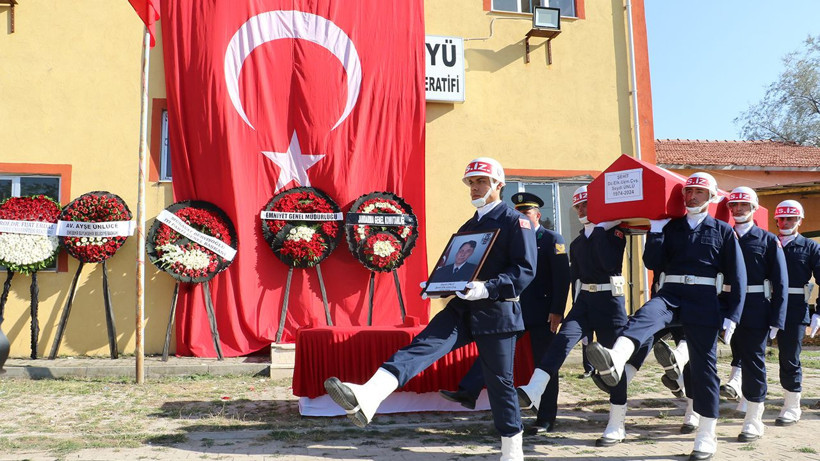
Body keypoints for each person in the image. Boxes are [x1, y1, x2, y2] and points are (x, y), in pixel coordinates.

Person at [323, 157, 537, 461]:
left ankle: (512, 451)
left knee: (499, 383)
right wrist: (437, 283)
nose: (474, 187)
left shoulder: (516, 221)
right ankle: (368, 395)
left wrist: (489, 287)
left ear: (498, 185)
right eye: (471, 183)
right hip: (462, 308)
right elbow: (458, 264)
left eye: (481, 182)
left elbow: (525, 271)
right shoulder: (471, 224)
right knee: (422, 346)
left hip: (497, 312)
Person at [584, 172, 747, 461]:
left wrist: (732, 315)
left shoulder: (722, 230)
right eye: (688, 191)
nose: (692, 196)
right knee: (643, 317)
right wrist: (656, 232)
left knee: (704, 368)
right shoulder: (671, 227)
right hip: (670, 292)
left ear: (710, 197)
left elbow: (738, 275)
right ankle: (616, 358)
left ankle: (707, 433)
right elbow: (652, 262)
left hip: (703, 300)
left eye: (698, 192)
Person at [438, 192, 571, 436]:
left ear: (538, 215)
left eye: (527, 213)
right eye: (518, 212)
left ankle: (546, 418)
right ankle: (468, 391)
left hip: (542, 314)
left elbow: (563, 279)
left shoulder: (552, 239)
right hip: (514, 310)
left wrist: (557, 311)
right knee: (492, 353)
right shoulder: (512, 236)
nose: (522, 217)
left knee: (544, 365)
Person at [516, 185, 637, 447]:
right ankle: (534, 390)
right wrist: (568, 308)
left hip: (610, 303)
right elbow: (575, 278)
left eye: (586, 205)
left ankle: (617, 422)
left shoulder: (614, 232)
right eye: (578, 207)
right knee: (560, 343)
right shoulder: (578, 241)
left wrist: (602, 228)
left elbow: (607, 263)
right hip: (584, 302)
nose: (582, 210)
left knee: (611, 365)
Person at [716, 187, 788, 441]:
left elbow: (780, 282)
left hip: (756, 307)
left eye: (743, 205)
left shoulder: (768, 240)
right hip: (724, 304)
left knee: (753, 361)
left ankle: (754, 419)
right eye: (733, 205)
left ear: (755, 208)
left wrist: (777, 318)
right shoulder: (723, 235)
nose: (737, 209)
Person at [770, 199, 820, 426]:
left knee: (789, 357)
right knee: (751, 353)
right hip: (765, 304)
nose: (786, 222)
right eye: (782, 218)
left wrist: (818, 311)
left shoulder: (811, 247)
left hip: (794, 307)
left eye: (791, 218)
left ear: (800, 220)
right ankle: (750, 399)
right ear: (776, 220)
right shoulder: (768, 243)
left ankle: (792, 405)